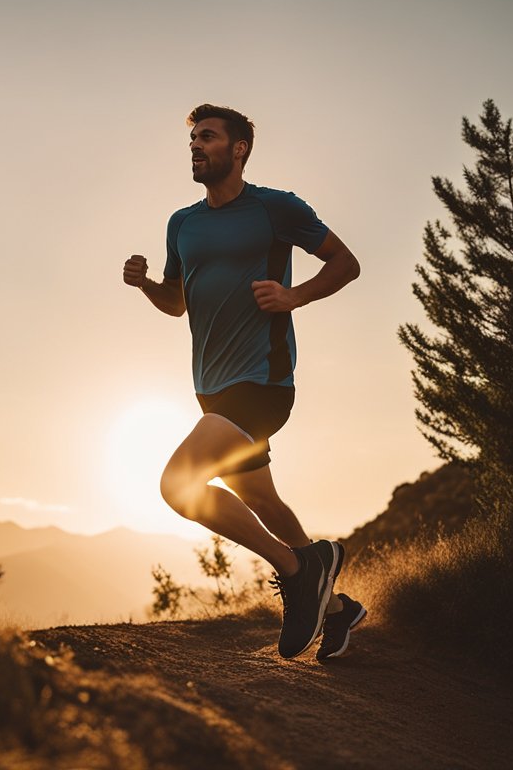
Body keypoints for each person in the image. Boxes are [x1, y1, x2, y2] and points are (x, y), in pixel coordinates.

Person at [123, 104, 365, 661]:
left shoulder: (276, 209)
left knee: (178, 487)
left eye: (207, 137)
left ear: (239, 149)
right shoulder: (181, 223)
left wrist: (294, 295)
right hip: (211, 389)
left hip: (264, 383)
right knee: (262, 502)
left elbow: (345, 262)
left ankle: (297, 568)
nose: (195, 146)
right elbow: (177, 302)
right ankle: (336, 607)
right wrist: (146, 286)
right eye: (192, 139)